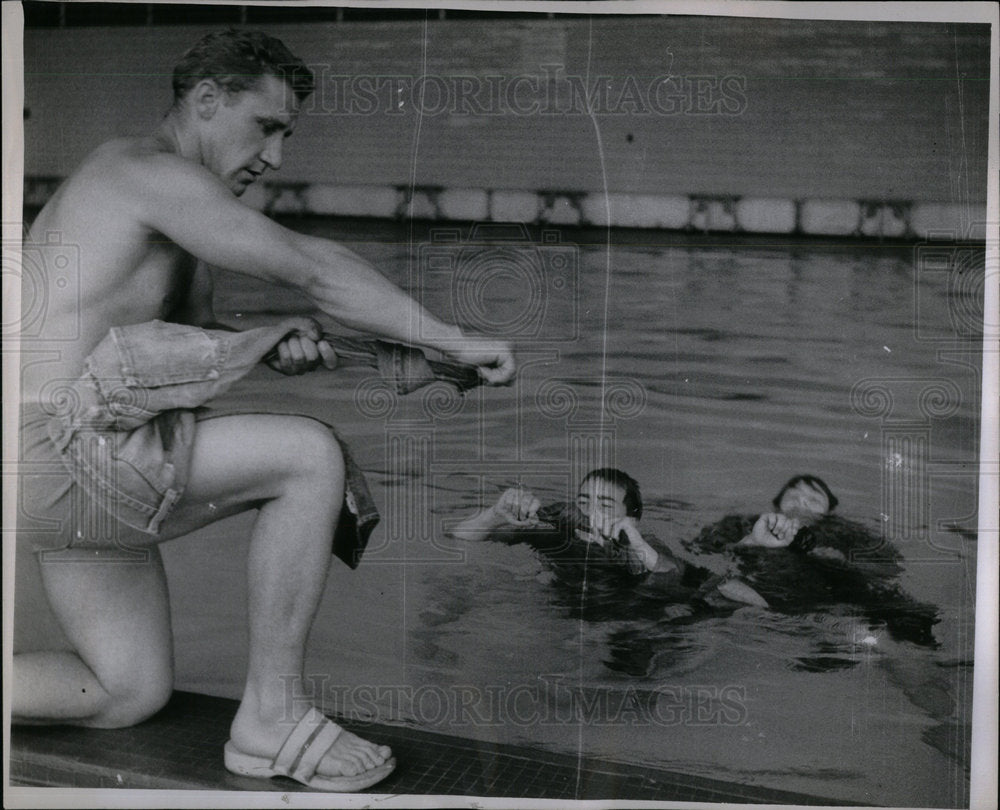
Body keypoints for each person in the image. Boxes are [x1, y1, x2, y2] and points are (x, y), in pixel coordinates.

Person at [14, 29, 515, 792]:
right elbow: (314, 266)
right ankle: (271, 719)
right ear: (207, 100)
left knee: (124, 692)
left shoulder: (147, 188)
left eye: (287, 135)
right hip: (58, 458)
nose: (275, 156)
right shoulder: (146, 173)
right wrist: (449, 335)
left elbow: (191, 347)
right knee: (309, 456)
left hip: (62, 461)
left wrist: (307, 346)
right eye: (267, 127)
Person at [452, 468, 767, 608]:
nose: (590, 513)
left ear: (630, 518)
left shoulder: (639, 544)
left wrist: (764, 612)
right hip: (569, 608)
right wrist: (495, 512)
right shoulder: (558, 531)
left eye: (604, 505)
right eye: (584, 501)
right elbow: (460, 536)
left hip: (636, 611)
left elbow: (699, 578)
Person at [686, 475, 939, 648]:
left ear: (829, 511)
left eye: (814, 498)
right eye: (793, 495)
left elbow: (888, 568)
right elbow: (700, 553)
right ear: (777, 504)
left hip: (838, 598)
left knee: (910, 625)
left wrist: (829, 555)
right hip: (769, 600)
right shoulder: (744, 523)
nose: (801, 502)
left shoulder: (850, 532)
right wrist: (751, 541)